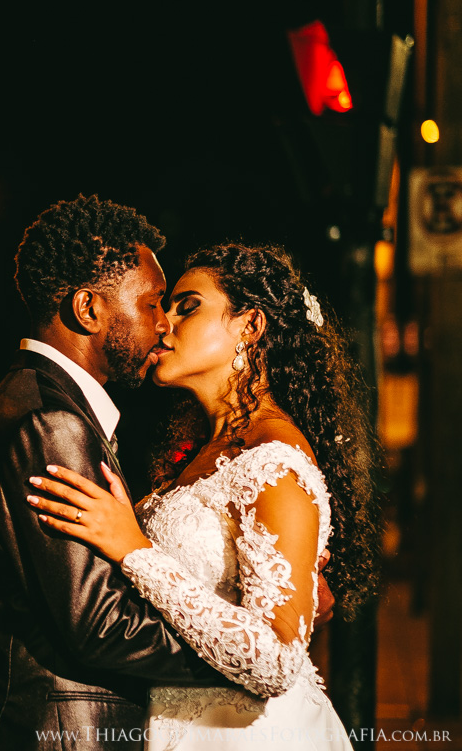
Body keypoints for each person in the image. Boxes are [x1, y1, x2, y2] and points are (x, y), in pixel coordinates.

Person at [27, 243, 380, 750]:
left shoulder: (273, 461)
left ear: (250, 326)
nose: (164, 323)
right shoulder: (204, 451)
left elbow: (277, 661)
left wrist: (135, 550)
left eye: (187, 306)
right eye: (164, 306)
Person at [0, 196, 235, 751]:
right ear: (88, 308)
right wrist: (243, 656)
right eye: (154, 303)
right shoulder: (50, 421)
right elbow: (100, 622)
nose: (165, 323)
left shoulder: (45, 406)